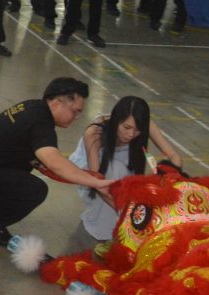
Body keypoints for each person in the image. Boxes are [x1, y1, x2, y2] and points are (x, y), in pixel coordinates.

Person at [0, 77, 117, 246]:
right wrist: (96, 182)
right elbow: (54, 162)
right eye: (75, 111)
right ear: (56, 103)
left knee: (23, 164)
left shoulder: (32, 106)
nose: (77, 117)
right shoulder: (40, 123)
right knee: (35, 189)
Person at [68, 96, 180, 240]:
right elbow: (97, 182)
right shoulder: (94, 133)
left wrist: (172, 176)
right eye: (126, 127)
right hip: (92, 173)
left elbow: (173, 156)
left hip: (121, 167)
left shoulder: (145, 124)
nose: (131, 134)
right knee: (115, 175)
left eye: (138, 130)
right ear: (116, 121)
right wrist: (128, 213)